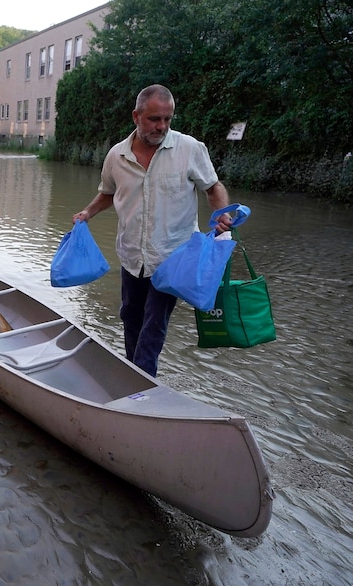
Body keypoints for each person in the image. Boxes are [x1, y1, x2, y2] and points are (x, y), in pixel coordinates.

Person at [72, 84, 234, 377]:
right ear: (136, 116)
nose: (161, 126)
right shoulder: (116, 156)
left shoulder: (189, 149)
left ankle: (141, 385)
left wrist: (222, 214)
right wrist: (87, 212)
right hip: (132, 254)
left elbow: (213, 187)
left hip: (173, 257)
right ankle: (135, 375)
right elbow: (108, 193)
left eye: (167, 119)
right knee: (130, 317)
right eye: (154, 119)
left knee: (153, 326)